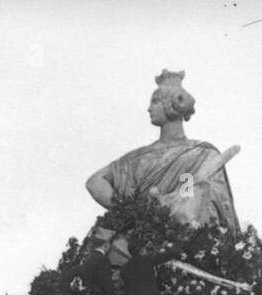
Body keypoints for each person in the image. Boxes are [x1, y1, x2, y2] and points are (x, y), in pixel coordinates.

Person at [85, 68, 240, 233]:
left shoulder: (202, 155)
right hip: (145, 239)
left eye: (155, 101)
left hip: (183, 239)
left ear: (173, 104)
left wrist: (170, 203)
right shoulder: (137, 159)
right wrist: (132, 212)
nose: (148, 109)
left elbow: (207, 201)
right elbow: (94, 182)